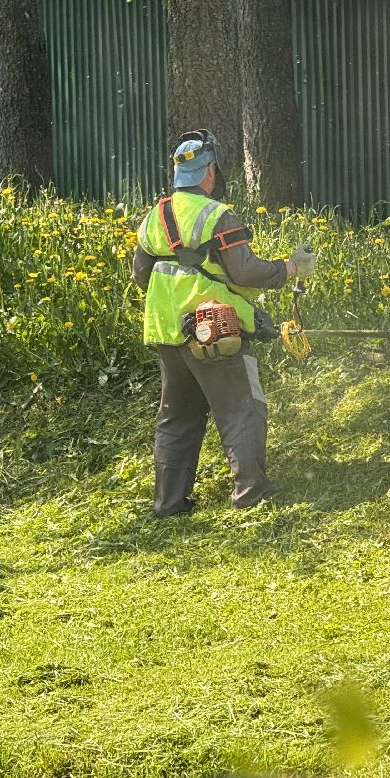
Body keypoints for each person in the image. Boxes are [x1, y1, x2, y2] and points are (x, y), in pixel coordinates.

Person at [132, 130, 315, 518]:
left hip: (167, 329)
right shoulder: (217, 214)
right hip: (214, 327)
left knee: (176, 416)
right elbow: (245, 271)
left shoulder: (156, 216)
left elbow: (141, 275)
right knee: (242, 407)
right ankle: (252, 495)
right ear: (210, 170)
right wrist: (291, 267)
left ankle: (168, 504)